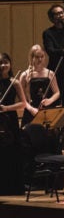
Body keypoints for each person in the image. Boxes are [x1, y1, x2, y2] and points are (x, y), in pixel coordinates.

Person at [0, 53, 27, 195]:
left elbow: (23, 103)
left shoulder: (14, 82)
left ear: (10, 64)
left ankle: (12, 187)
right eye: (0, 63)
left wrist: (6, 108)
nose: (3, 65)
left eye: (6, 62)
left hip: (10, 121)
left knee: (11, 152)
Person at [18, 44, 60, 126]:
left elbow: (57, 93)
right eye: (37, 57)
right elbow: (21, 99)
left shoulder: (50, 73)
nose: (40, 59)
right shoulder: (24, 75)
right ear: (32, 58)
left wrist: (50, 100)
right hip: (31, 111)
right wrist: (31, 109)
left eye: (42, 56)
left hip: (46, 111)